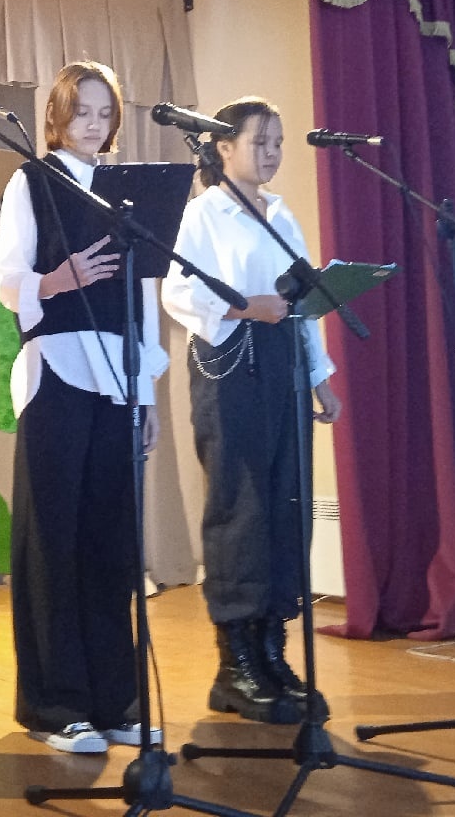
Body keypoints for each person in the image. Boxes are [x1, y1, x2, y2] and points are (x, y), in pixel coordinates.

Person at [0, 61, 168, 754]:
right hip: (57, 370)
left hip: (120, 379)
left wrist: (147, 392)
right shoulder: (33, 180)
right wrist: (57, 280)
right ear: (57, 116)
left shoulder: (131, 191)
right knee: (53, 542)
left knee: (110, 545)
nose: (94, 124)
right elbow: (7, 276)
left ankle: (116, 699)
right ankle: (54, 703)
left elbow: (145, 296)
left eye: (104, 112)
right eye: (82, 111)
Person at [161, 96, 343, 726]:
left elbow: (303, 303)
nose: (272, 153)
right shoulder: (202, 213)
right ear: (223, 146)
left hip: (284, 365)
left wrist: (320, 379)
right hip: (230, 364)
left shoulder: (282, 215)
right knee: (241, 508)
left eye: (279, 142)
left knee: (288, 504)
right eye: (260, 142)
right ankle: (234, 665)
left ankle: (272, 654)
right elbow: (178, 290)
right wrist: (244, 308)